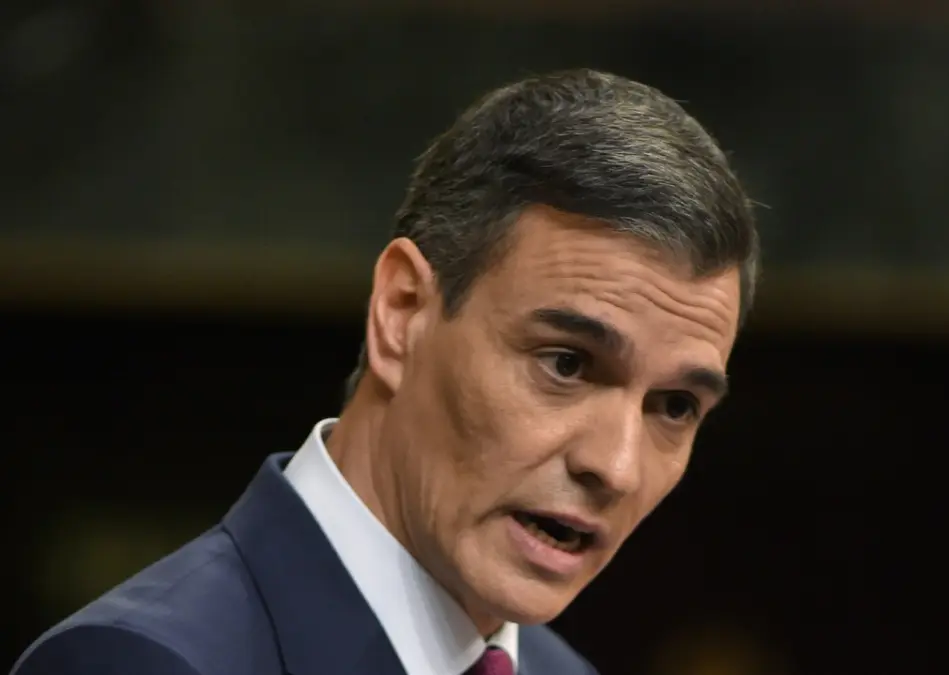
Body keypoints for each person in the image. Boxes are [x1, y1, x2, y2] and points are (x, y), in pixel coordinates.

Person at [10, 69, 759, 675]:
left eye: (674, 406)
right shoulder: (141, 664)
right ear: (402, 313)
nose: (617, 466)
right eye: (566, 363)